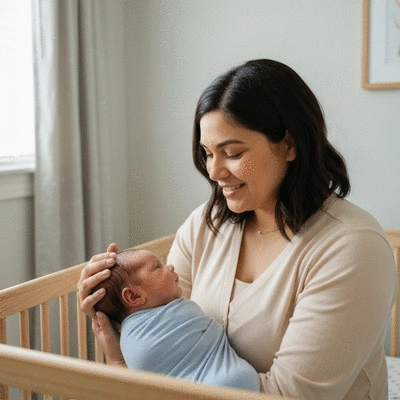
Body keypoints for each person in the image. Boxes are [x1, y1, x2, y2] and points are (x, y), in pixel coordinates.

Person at [77, 59, 397, 399]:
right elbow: (161, 351)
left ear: (290, 145)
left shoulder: (352, 248)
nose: (214, 172)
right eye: (207, 153)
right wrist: (112, 317)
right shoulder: (206, 224)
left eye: (232, 152)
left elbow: (290, 395)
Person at [90, 248, 260, 392]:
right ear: (133, 296)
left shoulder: (132, 337)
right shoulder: (134, 337)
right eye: (158, 267)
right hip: (232, 383)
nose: (169, 266)